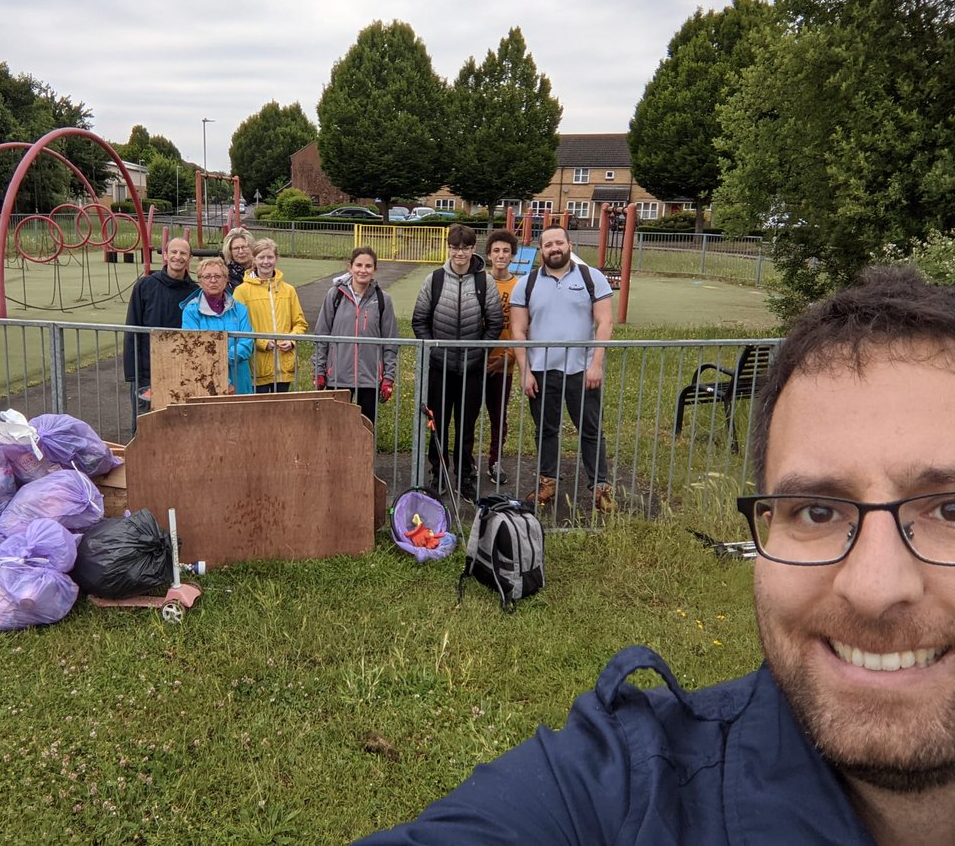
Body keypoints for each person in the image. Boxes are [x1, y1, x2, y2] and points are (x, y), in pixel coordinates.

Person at [360, 266, 955, 844]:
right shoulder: (630, 779)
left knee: (587, 436)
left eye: (948, 512)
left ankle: (595, 485)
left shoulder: (585, 280)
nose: (877, 587)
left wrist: (590, 358)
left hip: (574, 373)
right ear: (766, 528)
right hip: (531, 371)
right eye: (818, 511)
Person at [511, 225, 614, 512]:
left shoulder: (592, 278)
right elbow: (518, 331)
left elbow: (604, 323)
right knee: (546, 430)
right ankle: (548, 483)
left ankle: (601, 488)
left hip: (582, 371)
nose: (554, 248)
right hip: (542, 372)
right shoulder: (526, 284)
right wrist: (525, 371)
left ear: (569, 244)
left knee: (591, 430)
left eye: (559, 243)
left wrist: (596, 363)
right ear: (541, 250)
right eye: (548, 245)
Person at [411, 224, 503, 500]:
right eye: (454, 247)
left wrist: (478, 352)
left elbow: (495, 321)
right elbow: (420, 320)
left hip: (472, 369)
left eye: (465, 247)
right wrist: (435, 350)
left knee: (466, 425)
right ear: (448, 248)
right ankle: (438, 473)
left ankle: (465, 476)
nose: (459, 253)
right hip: (440, 368)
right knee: (437, 424)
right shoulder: (434, 280)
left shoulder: (484, 282)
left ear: (473, 249)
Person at [313, 246, 399, 423]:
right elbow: (322, 336)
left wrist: (388, 377)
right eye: (358, 265)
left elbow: (390, 342)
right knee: (335, 428)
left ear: (375, 269)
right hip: (337, 376)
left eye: (368, 266)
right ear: (350, 267)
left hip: (369, 378)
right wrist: (319, 371)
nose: (363, 270)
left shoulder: (383, 300)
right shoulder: (334, 295)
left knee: (365, 429)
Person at [122, 237, 196, 430]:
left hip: (181, 371)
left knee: (177, 426)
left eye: (183, 253)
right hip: (147, 373)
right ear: (165, 255)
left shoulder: (195, 292)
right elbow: (132, 328)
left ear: (189, 259)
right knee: (144, 426)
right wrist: (133, 373)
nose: (178, 257)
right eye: (174, 252)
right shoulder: (145, 286)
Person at [233, 238, 307, 393]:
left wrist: (291, 339)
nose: (266, 262)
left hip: (283, 367)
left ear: (276, 259)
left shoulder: (289, 290)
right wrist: (262, 343)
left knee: (280, 412)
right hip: (257, 365)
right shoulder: (242, 291)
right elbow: (238, 326)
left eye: (270, 257)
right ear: (254, 259)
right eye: (261, 257)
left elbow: (300, 323)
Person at [180, 256, 255, 394]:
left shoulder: (241, 309)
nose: (213, 280)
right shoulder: (190, 311)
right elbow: (194, 349)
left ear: (226, 280)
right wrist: (221, 380)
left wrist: (223, 357)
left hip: (239, 379)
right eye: (207, 276)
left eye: (218, 276)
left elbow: (246, 343)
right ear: (200, 281)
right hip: (205, 380)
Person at [483, 229, 520, 486]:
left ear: (513, 255)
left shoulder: (519, 286)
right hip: (476, 362)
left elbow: (523, 327)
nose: (501, 255)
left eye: (506, 250)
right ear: (488, 254)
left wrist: (509, 357)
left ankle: (494, 461)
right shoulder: (479, 282)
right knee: (467, 414)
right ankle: (466, 461)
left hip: (503, 363)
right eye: (496, 250)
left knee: (498, 415)